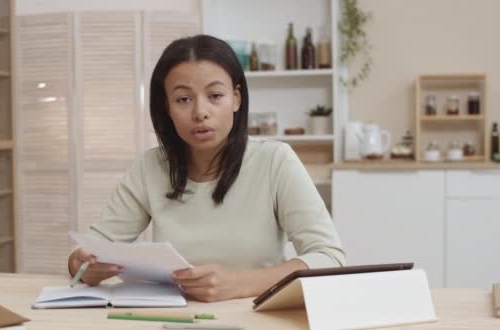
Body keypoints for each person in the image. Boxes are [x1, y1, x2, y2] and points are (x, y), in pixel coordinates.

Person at [68, 34, 345, 302]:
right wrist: (80, 263)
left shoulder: (275, 160)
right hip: (170, 322)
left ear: (236, 98)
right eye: (183, 99)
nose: (200, 112)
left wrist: (238, 284)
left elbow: (329, 257)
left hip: (258, 321)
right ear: (166, 107)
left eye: (215, 95)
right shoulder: (150, 167)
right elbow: (93, 247)